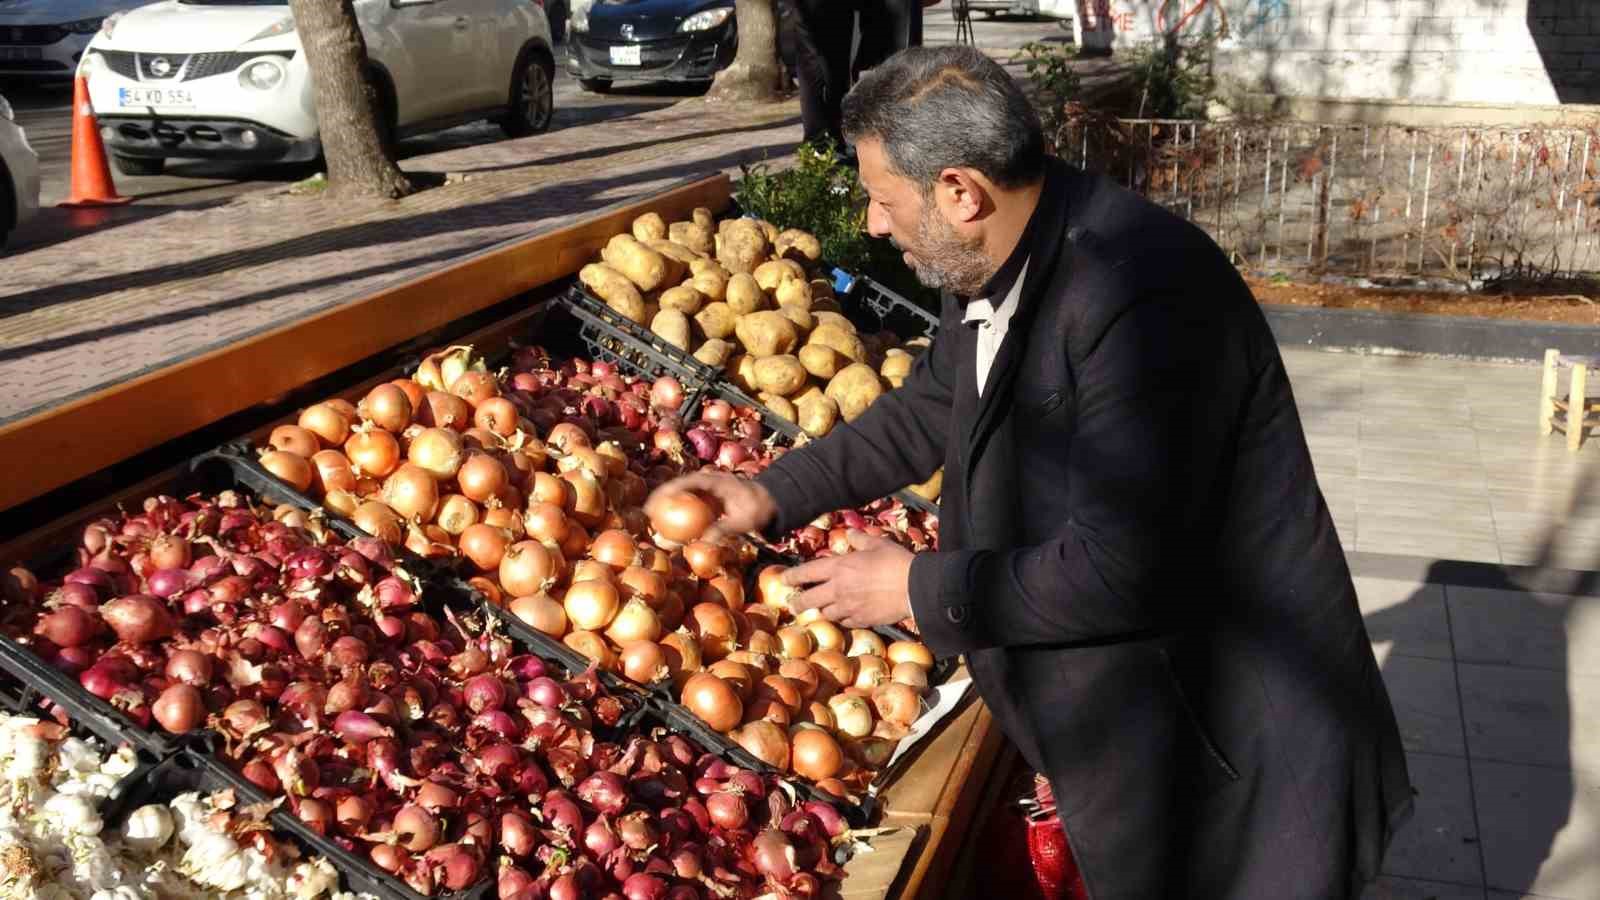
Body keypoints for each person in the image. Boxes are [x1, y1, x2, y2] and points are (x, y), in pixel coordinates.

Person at [648, 45, 1413, 898]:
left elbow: (1125, 568)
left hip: (1224, 758)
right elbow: (939, 398)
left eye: (881, 200)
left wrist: (916, 589)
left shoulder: (1140, 298)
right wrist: (771, 492)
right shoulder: (990, 257)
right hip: (1134, 737)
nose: (870, 225)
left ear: (959, 193)